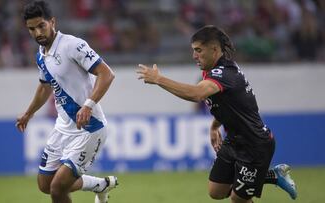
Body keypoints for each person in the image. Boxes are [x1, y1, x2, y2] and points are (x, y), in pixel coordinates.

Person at [137, 25, 297, 203]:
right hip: (234, 139)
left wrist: (159, 79)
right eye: (193, 50)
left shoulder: (224, 74)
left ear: (214, 49)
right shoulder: (212, 70)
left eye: (198, 50)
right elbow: (230, 105)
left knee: (238, 200)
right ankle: (271, 175)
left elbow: (196, 94)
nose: (194, 56)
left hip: (254, 145)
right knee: (216, 191)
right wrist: (215, 126)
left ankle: (267, 176)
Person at [16, 1, 117, 203]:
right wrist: (29, 112)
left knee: (57, 189)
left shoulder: (72, 45)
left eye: (41, 26)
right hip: (62, 129)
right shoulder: (41, 55)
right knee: (45, 185)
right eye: (31, 29)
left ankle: (99, 186)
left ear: (52, 22)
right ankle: (100, 185)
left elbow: (106, 74)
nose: (37, 33)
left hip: (89, 128)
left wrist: (88, 105)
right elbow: (45, 86)